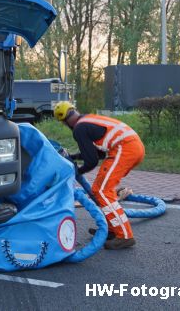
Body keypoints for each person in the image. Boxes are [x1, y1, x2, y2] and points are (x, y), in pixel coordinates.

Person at [54, 102, 145, 250]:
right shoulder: (88, 119)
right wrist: (75, 157)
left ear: (64, 122)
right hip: (133, 147)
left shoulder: (79, 128)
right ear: (74, 111)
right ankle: (113, 230)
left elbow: (91, 161)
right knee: (102, 190)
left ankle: (124, 236)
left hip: (125, 148)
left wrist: (78, 171)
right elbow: (100, 153)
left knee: (102, 191)